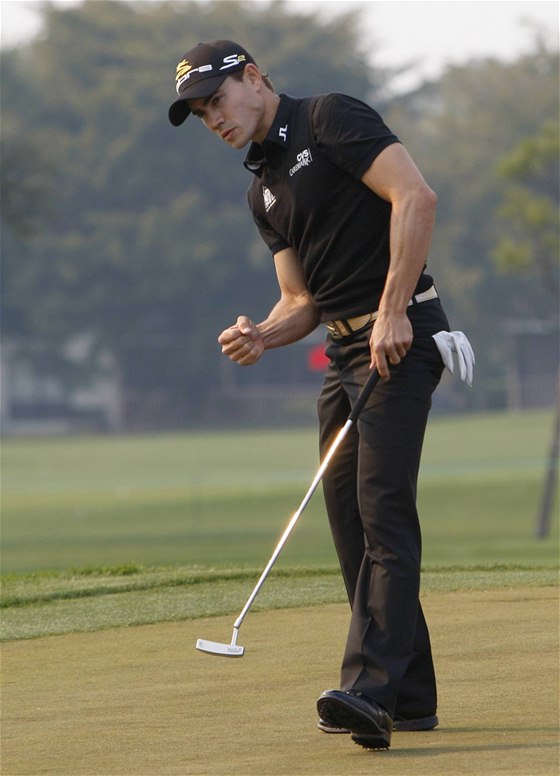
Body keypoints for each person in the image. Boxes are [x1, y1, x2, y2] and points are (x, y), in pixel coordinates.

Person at [169, 39, 451, 751]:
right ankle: (412, 696)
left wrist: (393, 310)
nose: (213, 120)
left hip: (402, 336)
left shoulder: (330, 120)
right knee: (350, 522)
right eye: (201, 114)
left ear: (254, 78)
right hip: (346, 351)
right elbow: (300, 299)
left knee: (383, 508)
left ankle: (368, 692)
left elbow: (415, 197)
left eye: (217, 100)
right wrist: (263, 334)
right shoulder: (262, 187)